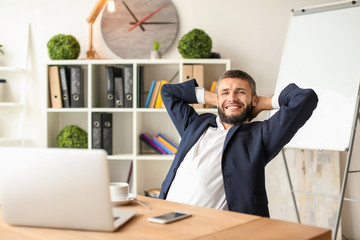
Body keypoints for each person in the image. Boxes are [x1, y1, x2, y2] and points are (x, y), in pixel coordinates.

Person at [159, 70, 318, 217]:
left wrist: (265, 102)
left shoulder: (260, 135)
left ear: (253, 99)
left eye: (241, 92)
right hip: (165, 218)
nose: (233, 97)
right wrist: (220, 99)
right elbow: (168, 92)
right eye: (226, 92)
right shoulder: (196, 124)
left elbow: (305, 98)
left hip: (211, 230)